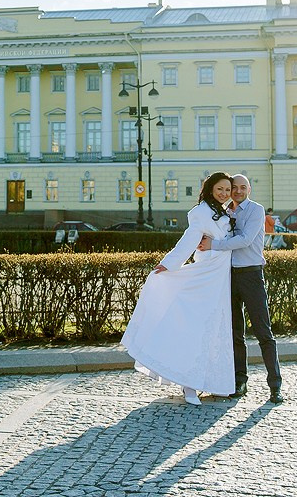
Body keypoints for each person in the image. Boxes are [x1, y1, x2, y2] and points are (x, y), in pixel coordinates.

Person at [121, 172, 236, 405]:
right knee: (195, 326)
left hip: (220, 277)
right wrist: (170, 264)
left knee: (215, 328)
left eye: (227, 190)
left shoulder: (225, 212)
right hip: (206, 275)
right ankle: (189, 385)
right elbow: (188, 240)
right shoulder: (201, 212)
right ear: (210, 189)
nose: (224, 194)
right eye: (219, 190)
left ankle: (215, 381)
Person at [197, 174, 283, 403]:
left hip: (252, 275)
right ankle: (240, 381)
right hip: (229, 277)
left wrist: (213, 245)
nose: (237, 191)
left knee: (264, 333)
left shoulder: (256, 210)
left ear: (249, 189)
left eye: (242, 187)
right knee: (235, 333)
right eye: (234, 187)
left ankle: (275, 385)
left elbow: (245, 240)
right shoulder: (225, 212)